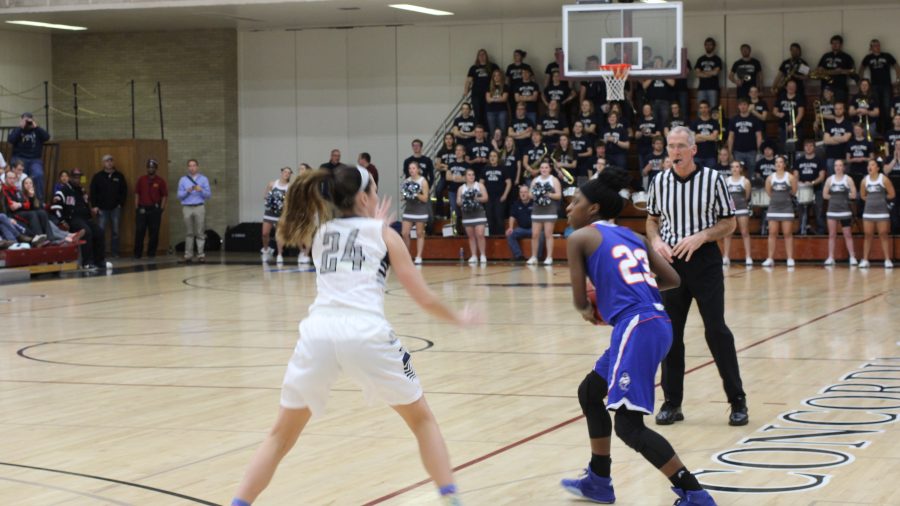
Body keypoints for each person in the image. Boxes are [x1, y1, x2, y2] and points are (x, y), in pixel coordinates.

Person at [230, 165, 480, 506]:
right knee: (423, 421)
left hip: (317, 333)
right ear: (364, 198)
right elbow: (423, 297)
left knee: (280, 436)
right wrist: (458, 318)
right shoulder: (385, 234)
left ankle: (239, 502)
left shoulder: (320, 233)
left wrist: (368, 220)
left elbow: (352, 240)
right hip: (365, 332)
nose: (377, 196)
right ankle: (452, 500)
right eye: (374, 191)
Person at [561, 167, 717, 506]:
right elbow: (672, 278)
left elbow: (579, 302)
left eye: (575, 202)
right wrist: (631, 291)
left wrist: (595, 307)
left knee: (629, 426)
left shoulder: (578, 238)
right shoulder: (634, 237)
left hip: (637, 326)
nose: (568, 208)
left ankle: (694, 493)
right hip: (653, 320)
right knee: (591, 392)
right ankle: (599, 479)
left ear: (593, 210)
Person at [646, 126, 747, 426]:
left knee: (716, 331)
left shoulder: (714, 180)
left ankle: (737, 400)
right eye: (670, 146)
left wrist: (702, 236)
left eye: (680, 146)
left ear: (693, 150)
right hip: (670, 263)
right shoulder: (659, 181)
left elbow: (729, 224)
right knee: (670, 336)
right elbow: (652, 220)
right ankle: (671, 403)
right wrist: (656, 241)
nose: (674, 152)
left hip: (704, 261)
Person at [51, 169, 106, 270]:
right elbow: (55, 207)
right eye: (75, 177)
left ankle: (99, 261)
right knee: (87, 232)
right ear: (70, 178)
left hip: (85, 219)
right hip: (72, 220)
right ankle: (87, 262)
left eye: (79, 177)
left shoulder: (82, 190)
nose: (77, 179)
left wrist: (92, 212)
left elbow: (86, 204)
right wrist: (62, 221)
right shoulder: (64, 190)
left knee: (99, 231)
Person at [761, 156, 798, 268]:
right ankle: (770, 258)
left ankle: (790, 258)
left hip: (787, 208)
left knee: (787, 233)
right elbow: (768, 191)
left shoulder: (790, 177)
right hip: (773, 208)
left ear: (784, 164)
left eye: (781, 162)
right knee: (772, 233)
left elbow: (794, 191)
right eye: (776, 162)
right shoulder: (770, 178)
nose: (778, 164)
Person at [859, 159, 895, 269]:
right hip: (868, 212)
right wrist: (871, 200)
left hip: (882, 212)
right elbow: (862, 196)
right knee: (868, 235)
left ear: (877, 168)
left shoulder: (884, 179)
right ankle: (865, 260)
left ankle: (887, 260)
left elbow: (892, 194)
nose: (870, 167)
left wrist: (881, 199)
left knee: (883, 235)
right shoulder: (864, 180)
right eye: (868, 165)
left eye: (872, 165)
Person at [90, 154, 128, 258]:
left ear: (113, 162)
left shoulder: (119, 176)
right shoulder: (97, 176)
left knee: (116, 231)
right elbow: (93, 192)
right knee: (101, 231)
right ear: (103, 163)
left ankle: (115, 252)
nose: (109, 163)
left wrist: (121, 204)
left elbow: (124, 191)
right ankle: (100, 253)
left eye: (111, 161)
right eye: (107, 161)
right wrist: (94, 206)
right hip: (102, 208)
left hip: (116, 208)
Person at [822, 159, 858, 266]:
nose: (838, 167)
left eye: (840, 165)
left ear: (844, 167)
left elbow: (854, 194)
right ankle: (831, 257)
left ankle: (852, 256)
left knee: (847, 234)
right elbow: (824, 195)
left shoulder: (848, 179)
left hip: (845, 211)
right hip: (832, 211)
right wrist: (835, 198)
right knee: (832, 234)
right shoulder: (829, 180)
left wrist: (843, 197)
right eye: (836, 165)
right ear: (834, 168)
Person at [7, 112, 50, 200]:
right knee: (17, 175)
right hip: (19, 158)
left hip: (35, 159)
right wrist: (20, 127)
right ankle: (17, 200)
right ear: (21, 120)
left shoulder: (37, 130)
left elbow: (47, 137)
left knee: (38, 174)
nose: (27, 123)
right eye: (25, 120)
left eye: (29, 120)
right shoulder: (17, 130)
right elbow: (11, 140)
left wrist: (36, 127)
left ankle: (38, 201)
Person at [859, 39, 900, 133]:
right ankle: (877, 130)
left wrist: (898, 79)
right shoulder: (868, 58)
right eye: (874, 45)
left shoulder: (887, 56)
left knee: (887, 107)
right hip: (874, 86)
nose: (877, 47)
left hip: (886, 85)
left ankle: (887, 129)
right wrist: (861, 81)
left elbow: (896, 66)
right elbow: (861, 68)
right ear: (871, 48)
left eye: (878, 45)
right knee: (876, 107)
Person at [177, 159, 212, 263]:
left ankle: (201, 255)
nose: (192, 167)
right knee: (189, 232)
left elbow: (208, 195)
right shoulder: (183, 180)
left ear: (197, 167)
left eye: (194, 165)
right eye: (190, 166)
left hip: (199, 207)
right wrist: (187, 191)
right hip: (187, 207)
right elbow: (179, 196)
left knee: (200, 232)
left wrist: (201, 190)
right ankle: (188, 255)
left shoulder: (204, 179)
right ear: (187, 167)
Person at [527, 161, 561, 266]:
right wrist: (537, 194)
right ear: (540, 169)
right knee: (535, 234)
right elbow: (529, 194)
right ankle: (533, 257)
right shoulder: (535, 180)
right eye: (542, 168)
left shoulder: (554, 180)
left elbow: (559, 195)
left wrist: (548, 194)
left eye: (546, 167)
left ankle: (549, 257)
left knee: (548, 234)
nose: (544, 170)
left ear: (549, 169)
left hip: (550, 209)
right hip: (537, 210)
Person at [134, 158, 168, 259]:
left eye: (152, 167)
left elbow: (164, 195)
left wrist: (161, 209)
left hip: (154, 210)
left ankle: (151, 253)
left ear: (156, 168)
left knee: (154, 232)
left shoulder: (160, 181)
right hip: (142, 209)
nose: (150, 169)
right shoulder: (141, 179)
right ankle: (137, 253)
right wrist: (136, 207)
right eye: (149, 167)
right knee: (140, 231)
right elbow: (137, 193)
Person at [793, 139, 827, 235]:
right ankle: (802, 228)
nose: (808, 148)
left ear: (814, 147)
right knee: (801, 211)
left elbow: (822, 177)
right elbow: (795, 175)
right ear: (803, 148)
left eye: (811, 146)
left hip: (817, 189)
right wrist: (800, 183)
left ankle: (821, 232)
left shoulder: (819, 161)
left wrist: (812, 183)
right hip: (802, 189)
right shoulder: (799, 161)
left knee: (819, 212)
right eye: (806, 146)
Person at [723, 161, 753, 266]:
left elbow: (747, 196)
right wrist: (731, 209)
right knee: (728, 233)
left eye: (737, 167)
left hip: (742, 209)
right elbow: (725, 197)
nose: (735, 169)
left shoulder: (745, 181)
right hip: (731, 210)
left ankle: (748, 257)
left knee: (745, 232)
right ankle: (726, 256)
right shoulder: (726, 181)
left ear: (740, 169)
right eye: (732, 167)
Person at [261, 167, 293, 264]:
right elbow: (265, 196)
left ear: (290, 175)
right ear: (281, 173)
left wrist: (282, 204)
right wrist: (271, 201)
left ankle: (279, 254)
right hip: (270, 212)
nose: (286, 174)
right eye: (285, 172)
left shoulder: (289, 186)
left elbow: (290, 201)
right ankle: (266, 250)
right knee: (265, 233)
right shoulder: (272, 183)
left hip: (281, 213)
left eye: (289, 172)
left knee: (279, 234)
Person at [401, 161, 431, 265]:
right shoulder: (406, 181)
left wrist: (415, 193)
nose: (411, 170)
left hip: (420, 210)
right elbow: (404, 196)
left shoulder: (423, 181)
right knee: (405, 233)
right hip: (409, 209)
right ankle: (407, 255)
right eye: (410, 168)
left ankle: (418, 256)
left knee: (419, 233)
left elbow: (425, 198)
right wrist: (405, 195)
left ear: (418, 169)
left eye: (413, 168)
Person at [457, 168, 488, 264]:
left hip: (479, 213)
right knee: (471, 236)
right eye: (469, 175)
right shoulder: (461, 188)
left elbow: (486, 198)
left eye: (473, 174)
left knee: (480, 234)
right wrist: (465, 200)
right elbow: (458, 202)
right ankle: (474, 255)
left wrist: (475, 198)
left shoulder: (479, 185)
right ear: (465, 177)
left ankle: (482, 255)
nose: (471, 176)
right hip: (467, 214)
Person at [505, 185, 542, 261]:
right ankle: (519, 256)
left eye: (525, 192)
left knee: (541, 234)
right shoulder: (516, 204)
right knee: (510, 234)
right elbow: (512, 216)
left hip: (533, 228)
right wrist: (511, 227)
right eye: (521, 192)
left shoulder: (534, 203)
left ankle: (537, 257)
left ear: (529, 193)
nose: (523, 194)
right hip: (521, 229)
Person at [727, 98, 763, 172]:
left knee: (752, 173)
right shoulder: (734, 119)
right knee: (737, 173)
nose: (742, 107)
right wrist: (730, 152)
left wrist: (759, 151)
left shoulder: (754, 119)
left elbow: (759, 136)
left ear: (748, 106)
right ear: (738, 106)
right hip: (738, 151)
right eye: (740, 105)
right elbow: (731, 137)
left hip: (752, 151)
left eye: (744, 104)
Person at [815, 35, 855, 102]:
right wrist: (835, 72)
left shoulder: (847, 57)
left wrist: (841, 71)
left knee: (840, 110)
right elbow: (818, 70)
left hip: (840, 88)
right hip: (826, 88)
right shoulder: (825, 56)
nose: (835, 45)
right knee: (826, 110)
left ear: (841, 44)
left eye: (837, 43)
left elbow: (852, 71)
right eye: (833, 43)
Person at [465, 49, 499, 127]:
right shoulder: (473, 68)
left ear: (486, 56)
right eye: (480, 55)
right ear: (477, 57)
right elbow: (468, 81)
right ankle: (479, 131)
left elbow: (499, 78)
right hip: (476, 94)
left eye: (483, 54)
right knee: (478, 113)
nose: (482, 56)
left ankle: (487, 133)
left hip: (489, 94)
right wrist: (466, 92)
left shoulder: (493, 66)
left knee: (488, 114)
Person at [482, 150, 512, 236]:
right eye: (491, 156)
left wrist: (505, 195)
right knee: (490, 219)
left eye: (494, 156)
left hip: (499, 197)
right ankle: (491, 239)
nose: (492, 158)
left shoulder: (503, 168)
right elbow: (481, 183)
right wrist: (484, 195)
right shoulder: (485, 169)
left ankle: (500, 239)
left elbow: (509, 183)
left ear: (498, 158)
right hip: (488, 198)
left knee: (499, 219)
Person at [695, 37, 722, 111]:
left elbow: (716, 72)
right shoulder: (700, 59)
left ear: (714, 46)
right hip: (701, 88)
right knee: (700, 109)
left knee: (713, 109)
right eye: (706, 45)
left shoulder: (717, 59)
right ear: (704, 46)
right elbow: (697, 74)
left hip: (713, 88)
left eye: (710, 45)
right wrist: (710, 73)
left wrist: (703, 72)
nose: (708, 46)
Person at [692, 101, 719, 170]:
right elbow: (693, 139)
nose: (703, 110)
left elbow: (714, 137)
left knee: (711, 178)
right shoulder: (694, 122)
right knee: (697, 177)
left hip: (711, 156)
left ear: (708, 108)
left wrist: (699, 135)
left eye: (705, 107)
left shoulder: (715, 123)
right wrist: (709, 137)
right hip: (697, 155)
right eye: (701, 108)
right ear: (699, 109)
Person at [485, 69, 510, 136]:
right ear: (493, 77)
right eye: (494, 75)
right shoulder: (489, 87)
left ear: (501, 76)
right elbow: (488, 100)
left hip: (502, 111)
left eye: (498, 75)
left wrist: (493, 98)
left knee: (503, 130)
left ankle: (504, 145)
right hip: (490, 111)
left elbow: (504, 99)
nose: (496, 77)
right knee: (492, 131)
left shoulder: (505, 87)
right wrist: (499, 98)